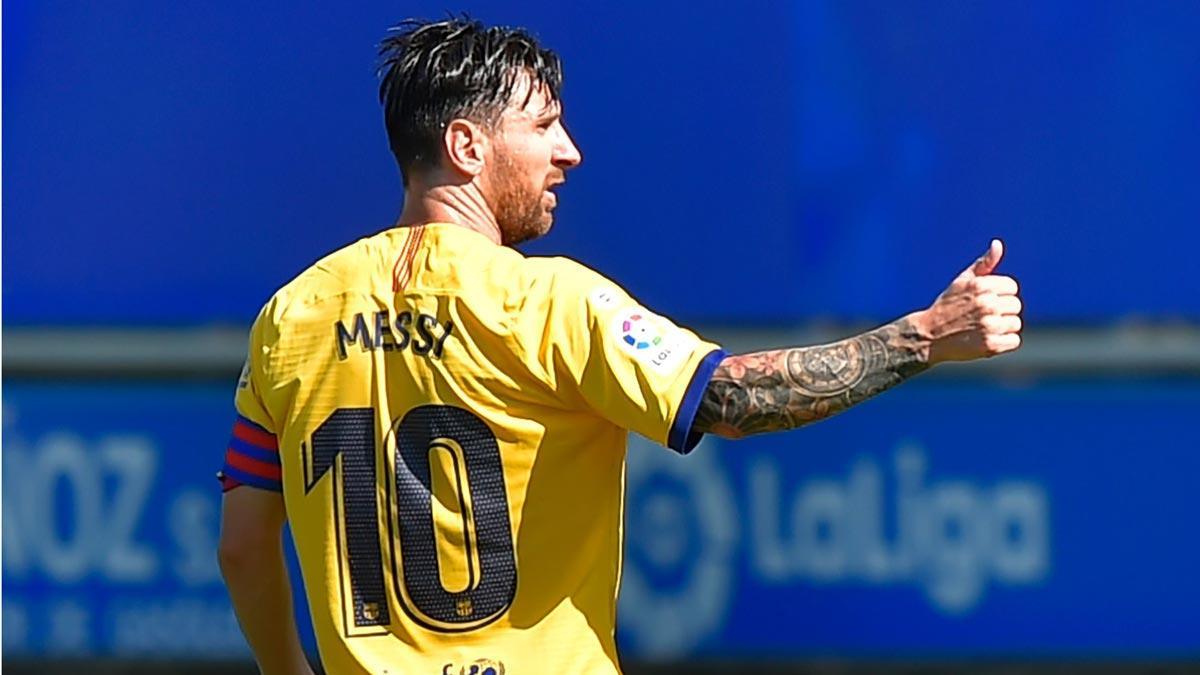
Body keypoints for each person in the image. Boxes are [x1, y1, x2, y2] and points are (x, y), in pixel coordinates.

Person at [216, 16, 1023, 675]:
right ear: (467, 146)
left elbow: (245, 545)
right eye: (544, 125)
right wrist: (925, 335)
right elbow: (732, 398)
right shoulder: (546, 301)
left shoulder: (292, 316)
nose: (570, 150)